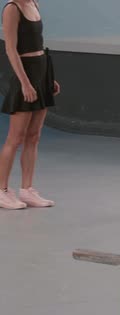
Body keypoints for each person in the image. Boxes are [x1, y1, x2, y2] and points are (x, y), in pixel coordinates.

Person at [0, 0, 59, 209]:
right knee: (15, 138)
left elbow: (38, 45)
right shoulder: (11, 9)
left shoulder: (34, 3)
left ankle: (27, 190)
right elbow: (10, 49)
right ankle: (2, 191)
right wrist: (25, 83)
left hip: (41, 71)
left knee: (34, 136)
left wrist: (48, 79)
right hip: (25, 75)